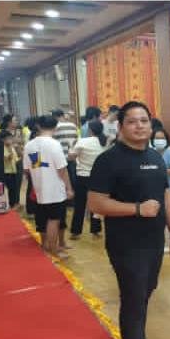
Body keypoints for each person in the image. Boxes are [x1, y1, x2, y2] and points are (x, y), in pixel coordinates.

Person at [88, 101, 170, 339]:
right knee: (133, 298)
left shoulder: (156, 157)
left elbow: (165, 196)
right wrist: (137, 209)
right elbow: (96, 203)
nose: (139, 126)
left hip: (154, 242)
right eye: (132, 121)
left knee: (145, 293)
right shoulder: (109, 160)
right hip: (126, 244)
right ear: (121, 126)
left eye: (144, 120)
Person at [23, 115, 74, 258]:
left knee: (43, 218)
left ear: (38, 126)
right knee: (54, 220)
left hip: (38, 189)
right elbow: (62, 169)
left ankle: (46, 246)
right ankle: (54, 249)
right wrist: (69, 188)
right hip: (54, 189)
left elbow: (27, 169)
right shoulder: (54, 144)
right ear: (55, 127)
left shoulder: (29, 145)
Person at [69, 120, 109, 239]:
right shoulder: (104, 142)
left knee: (80, 204)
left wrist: (72, 146)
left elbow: (71, 157)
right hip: (98, 177)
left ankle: (76, 232)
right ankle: (95, 231)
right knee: (95, 205)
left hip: (82, 176)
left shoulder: (83, 141)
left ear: (90, 130)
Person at [152, 128, 170, 251]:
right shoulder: (151, 152)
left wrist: (161, 171)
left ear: (166, 140)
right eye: (157, 138)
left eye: (162, 138)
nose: (159, 140)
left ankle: (169, 243)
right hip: (155, 190)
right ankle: (159, 243)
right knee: (158, 217)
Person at [52, 109, 79, 195]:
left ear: (55, 117)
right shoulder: (73, 125)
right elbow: (76, 139)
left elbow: (53, 141)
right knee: (73, 177)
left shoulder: (56, 127)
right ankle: (75, 195)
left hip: (62, 156)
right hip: (72, 155)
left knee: (64, 178)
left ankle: (67, 195)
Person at [0, 130, 20, 208]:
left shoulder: (11, 147)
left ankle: (12, 205)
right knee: (5, 189)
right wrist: (10, 147)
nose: (10, 140)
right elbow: (8, 158)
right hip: (5, 172)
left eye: (10, 138)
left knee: (13, 189)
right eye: (8, 138)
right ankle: (5, 205)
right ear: (3, 139)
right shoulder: (1, 148)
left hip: (13, 171)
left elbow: (15, 159)